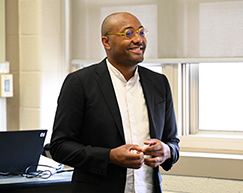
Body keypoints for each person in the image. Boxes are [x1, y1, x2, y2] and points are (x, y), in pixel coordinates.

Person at [50, 12, 180, 193]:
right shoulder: (80, 83)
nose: (138, 39)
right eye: (128, 34)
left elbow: (172, 141)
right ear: (106, 42)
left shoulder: (159, 83)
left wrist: (167, 151)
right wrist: (109, 156)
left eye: (141, 32)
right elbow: (59, 147)